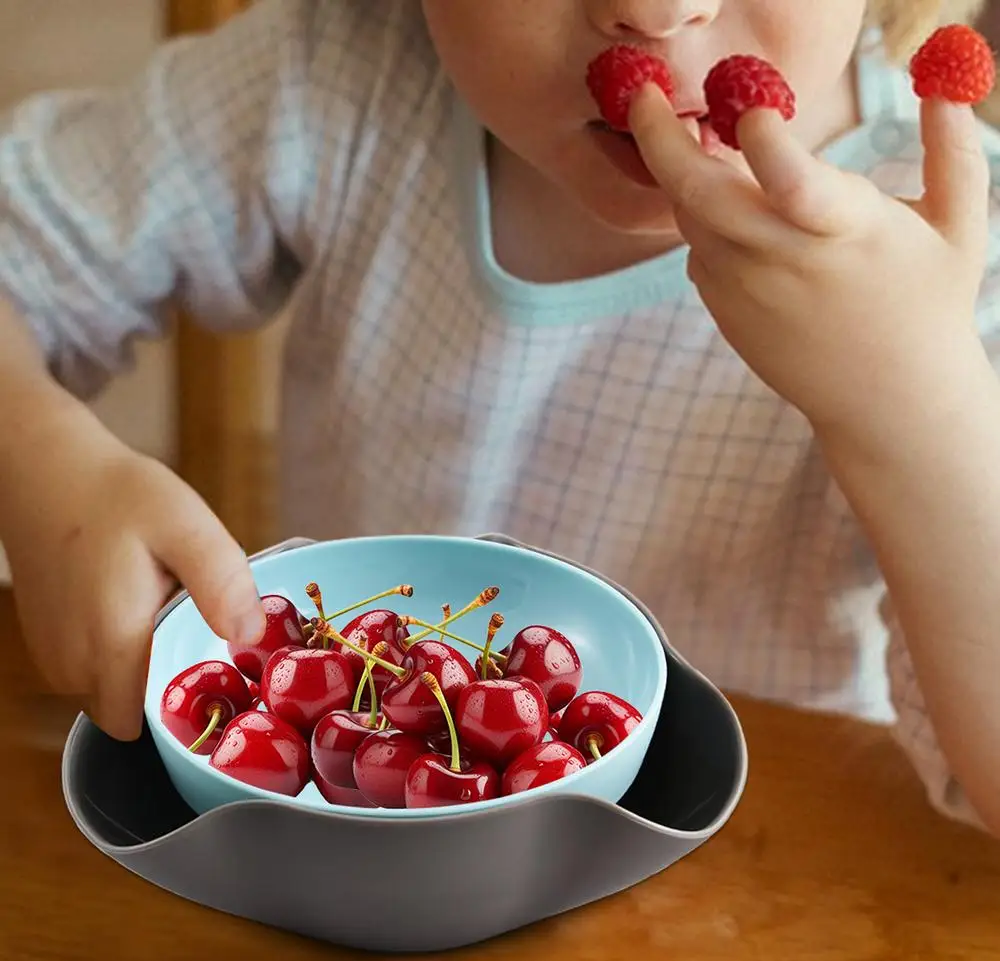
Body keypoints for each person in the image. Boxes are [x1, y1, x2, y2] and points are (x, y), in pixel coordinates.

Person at [1, 0, 1000, 834]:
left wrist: (921, 398)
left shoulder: (951, 253)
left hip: (762, 896)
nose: (653, 11)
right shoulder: (338, 75)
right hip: (355, 848)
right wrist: (36, 454)